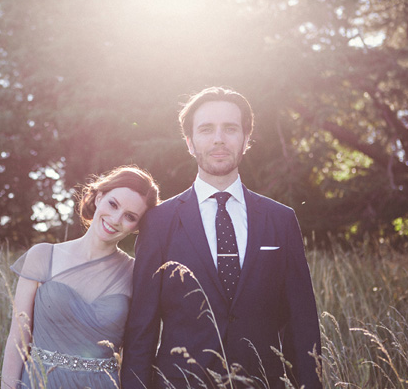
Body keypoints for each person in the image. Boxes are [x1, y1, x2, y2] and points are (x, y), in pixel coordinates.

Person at [121, 87, 322, 389]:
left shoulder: (281, 220)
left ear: (246, 140)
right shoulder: (158, 222)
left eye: (230, 128)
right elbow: (141, 328)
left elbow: (302, 323)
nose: (219, 138)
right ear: (190, 143)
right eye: (206, 129)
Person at [1, 166, 160, 389]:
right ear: (99, 196)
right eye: (113, 204)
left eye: (130, 217)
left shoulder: (136, 274)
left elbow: (136, 353)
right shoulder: (43, 256)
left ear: (137, 226)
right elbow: (17, 340)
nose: (115, 219)